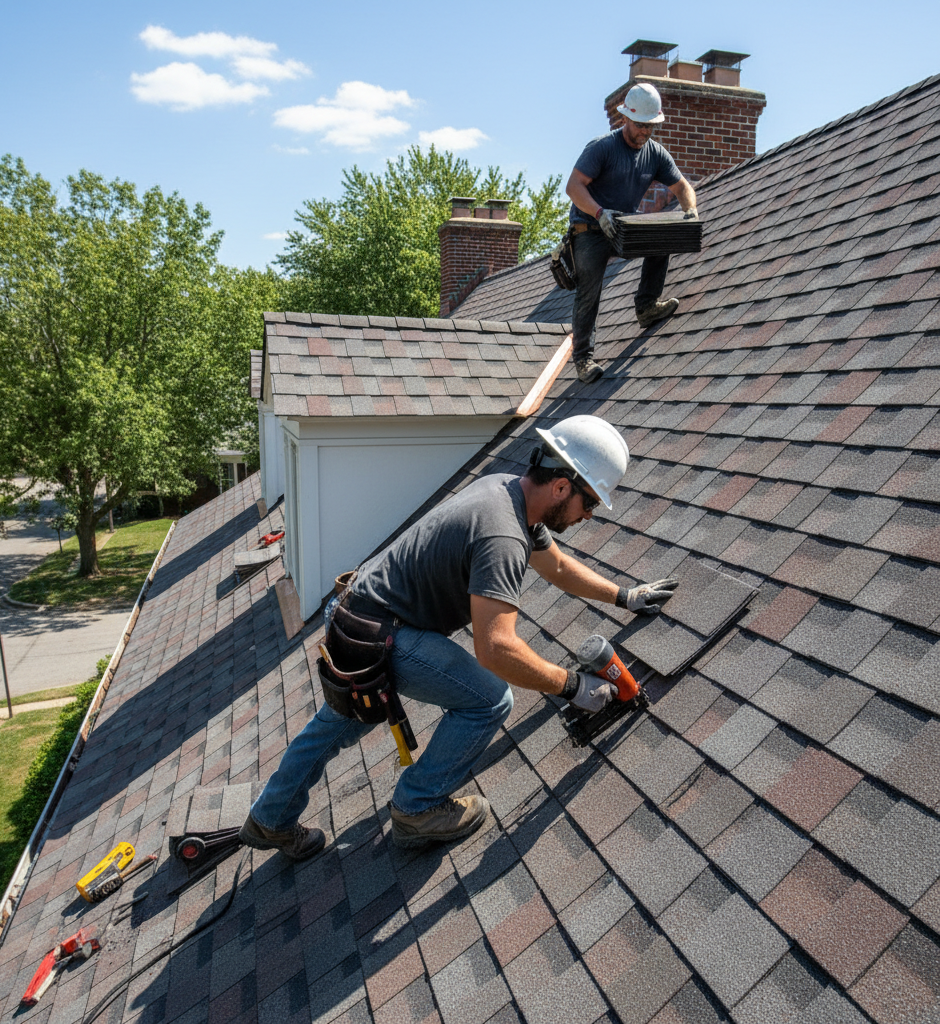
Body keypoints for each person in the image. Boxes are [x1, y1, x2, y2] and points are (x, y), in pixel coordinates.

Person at [238, 416, 678, 859]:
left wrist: (625, 596)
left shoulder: (508, 490)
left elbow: (558, 567)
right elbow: (496, 649)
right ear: (562, 487)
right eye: (591, 503)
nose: (588, 516)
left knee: (338, 720)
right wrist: (573, 686)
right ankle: (417, 808)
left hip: (353, 614)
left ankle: (269, 818)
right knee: (490, 699)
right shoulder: (503, 535)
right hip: (384, 635)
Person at [566, 82, 699, 384]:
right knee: (590, 289)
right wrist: (599, 213)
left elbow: (682, 187)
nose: (645, 132)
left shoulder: (655, 153)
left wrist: (691, 212)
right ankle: (584, 358)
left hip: (624, 226)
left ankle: (647, 306)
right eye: (640, 125)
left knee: (662, 237)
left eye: (650, 126)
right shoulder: (602, 148)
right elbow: (574, 187)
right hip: (591, 227)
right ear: (624, 118)